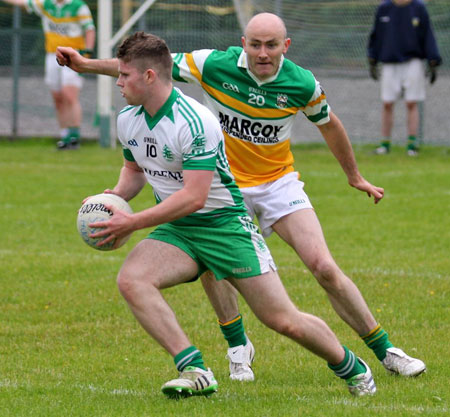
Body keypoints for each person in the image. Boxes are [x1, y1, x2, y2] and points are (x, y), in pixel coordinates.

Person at [56, 13, 426, 382]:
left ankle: (385, 350)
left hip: (274, 183)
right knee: (205, 260)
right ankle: (235, 349)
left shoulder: (301, 83)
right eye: (255, 44)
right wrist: (86, 65)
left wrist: (354, 176)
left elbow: (330, 125)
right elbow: (148, 67)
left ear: (286, 46)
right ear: (243, 42)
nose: (262, 53)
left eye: (271, 45)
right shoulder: (212, 65)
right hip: (219, 182)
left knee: (323, 268)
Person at [2, 0, 95, 149]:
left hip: (73, 54)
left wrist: (87, 53)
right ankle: (64, 136)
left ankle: (75, 136)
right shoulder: (46, 5)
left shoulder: (78, 6)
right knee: (58, 97)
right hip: (52, 56)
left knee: (69, 95)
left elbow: (90, 29)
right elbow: (22, 2)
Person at [367, 0, 442, 156]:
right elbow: (376, 34)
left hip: (413, 61)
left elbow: (427, 34)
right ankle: (385, 144)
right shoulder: (384, 8)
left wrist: (433, 60)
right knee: (387, 103)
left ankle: (411, 145)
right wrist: (372, 58)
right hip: (389, 61)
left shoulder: (419, 8)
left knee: (411, 102)